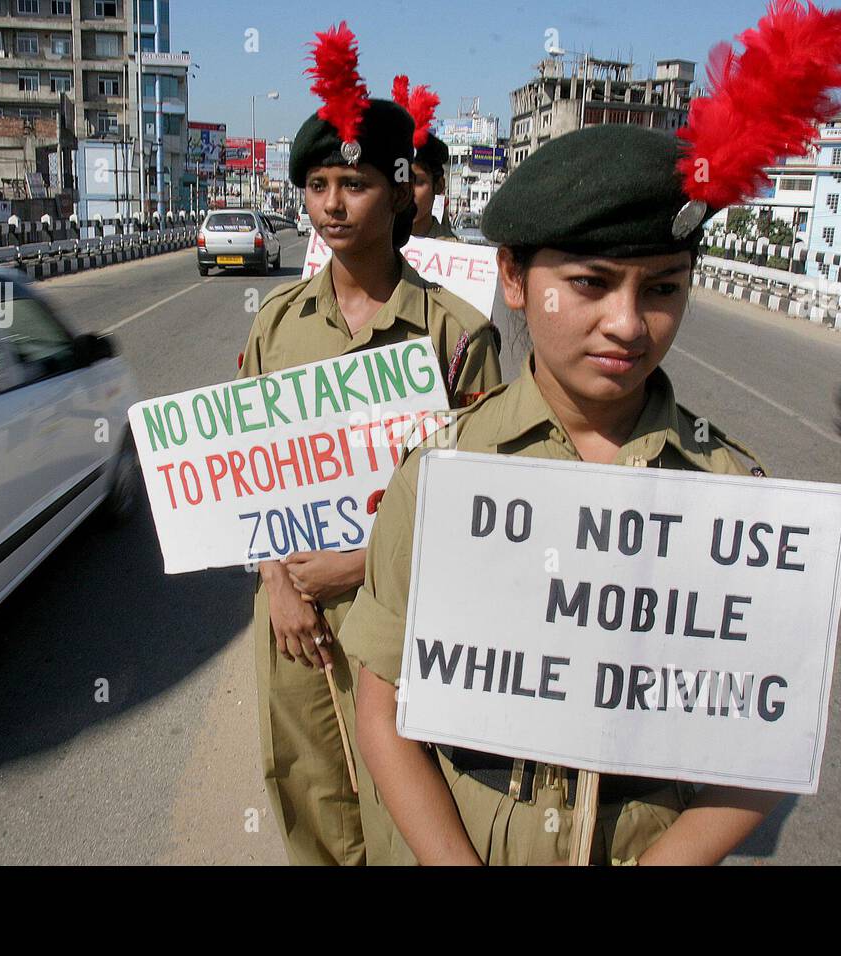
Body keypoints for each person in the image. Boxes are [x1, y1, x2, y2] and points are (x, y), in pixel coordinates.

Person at [338, 0, 841, 865]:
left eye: (661, 288)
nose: (627, 323)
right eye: (589, 283)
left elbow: (766, 747)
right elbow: (383, 707)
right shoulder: (442, 473)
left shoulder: (735, 500)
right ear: (514, 277)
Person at [237, 21, 502, 866]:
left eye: (353, 183)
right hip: (292, 616)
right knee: (309, 783)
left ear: (398, 195)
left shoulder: (457, 337)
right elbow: (248, 474)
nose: (333, 205)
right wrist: (279, 581)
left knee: (404, 797)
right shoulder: (276, 325)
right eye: (317, 185)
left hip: (405, 621)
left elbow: (483, 506)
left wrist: (361, 565)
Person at [392, 76, 457, 242]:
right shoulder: (368, 247)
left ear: (439, 185)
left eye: (417, 182)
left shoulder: (455, 253)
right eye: (397, 179)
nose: (405, 192)